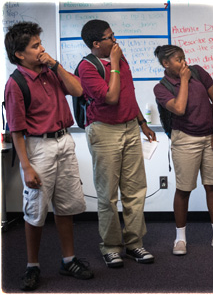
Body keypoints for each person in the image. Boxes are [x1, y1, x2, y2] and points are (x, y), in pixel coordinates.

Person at [4, 22, 94, 291]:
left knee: (66, 207)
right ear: (20, 54)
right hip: (37, 147)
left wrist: (55, 65)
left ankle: (68, 260)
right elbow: (17, 131)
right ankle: (33, 266)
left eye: (40, 43)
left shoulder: (50, 71)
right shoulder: (16, 83)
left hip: (64, 141)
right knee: (36, 211)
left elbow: (78, 91)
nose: (41, 48)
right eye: (35, 46)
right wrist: (26, 167)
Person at [79, 19, 156, 268]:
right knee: (108, 195)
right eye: (111, 37)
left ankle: (134, 243)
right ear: (96, 43)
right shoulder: (87, 67)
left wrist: (142, 122)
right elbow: (111, 98)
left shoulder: (120, 60)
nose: (115, 41)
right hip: (104, 132)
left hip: (130, 128)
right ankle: (111, 247)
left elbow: (128, 95)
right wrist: (113, 63)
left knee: (135, 191)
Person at [153, 45, 213, 255]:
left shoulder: (198, 72)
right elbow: (180, 108)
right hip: (184, 140)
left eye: (184, 58)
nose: (184, 63)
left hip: (210, 137)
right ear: (166, 63)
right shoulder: (161, 87)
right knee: (184, 189)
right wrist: (183, 80)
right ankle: (180, 239)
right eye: (178, 59)